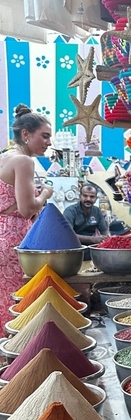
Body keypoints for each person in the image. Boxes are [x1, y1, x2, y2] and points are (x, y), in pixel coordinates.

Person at [0, 106, 54, 325]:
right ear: (26, 134)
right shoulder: (24, 161)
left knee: (3, 298)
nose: (49, 143)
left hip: (2, 232)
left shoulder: (5, 157)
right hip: (14, 238)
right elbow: (26, 209)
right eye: (45, 136)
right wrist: (45, 194)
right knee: (18, 301)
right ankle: (14, 353)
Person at [63, 183, 109, 251]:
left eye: (92, 197)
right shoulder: (70, 211)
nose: (88, 199)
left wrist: (108, 238)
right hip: (74, 249)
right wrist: (92, 239)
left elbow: (104, 231)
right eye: (85, 196)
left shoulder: (97, 211)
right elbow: (68, 235)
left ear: (96, 198)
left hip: (91, 248)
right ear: (80, 197)